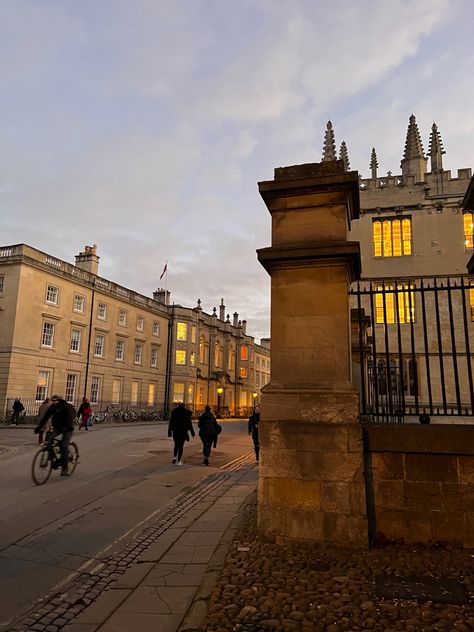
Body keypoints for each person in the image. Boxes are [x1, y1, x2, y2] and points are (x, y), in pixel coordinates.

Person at [34, 395, 76, 475]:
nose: (54, 403)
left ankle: (65, 467)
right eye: (53, 401)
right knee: (50, 440)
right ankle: (55, 459)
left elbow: (68, 418)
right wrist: (39, 427)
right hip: (58, 428)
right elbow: (46, 417)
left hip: (67, 428)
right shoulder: (53, 407)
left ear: (59, 401)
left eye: (55, 401)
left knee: (64, 445)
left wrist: (65, 427)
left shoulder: (65, 406)